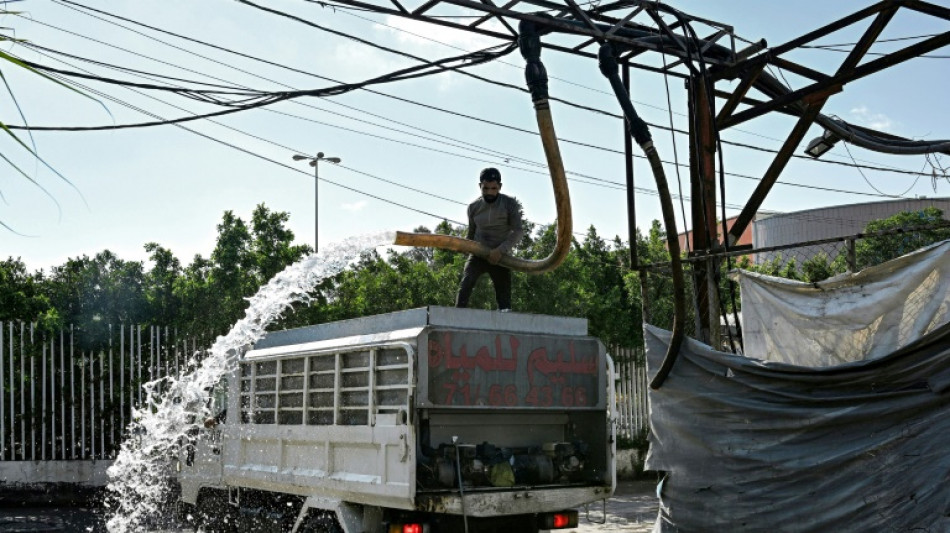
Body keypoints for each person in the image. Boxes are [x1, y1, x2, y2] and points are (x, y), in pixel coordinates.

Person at [455, 167, 524, 311]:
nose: (490, 192)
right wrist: (465, 248)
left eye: (494, 188)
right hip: (479, 253)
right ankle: (456, 317)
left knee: (504, 297)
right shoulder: (473, 207)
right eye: (485, 188)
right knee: (465, 285)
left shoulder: (509, 204)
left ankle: (505, 322)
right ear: (480, 186)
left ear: (500, 187)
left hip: (501, 256)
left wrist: (500, 251)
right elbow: (472, 232)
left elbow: (518, 231)